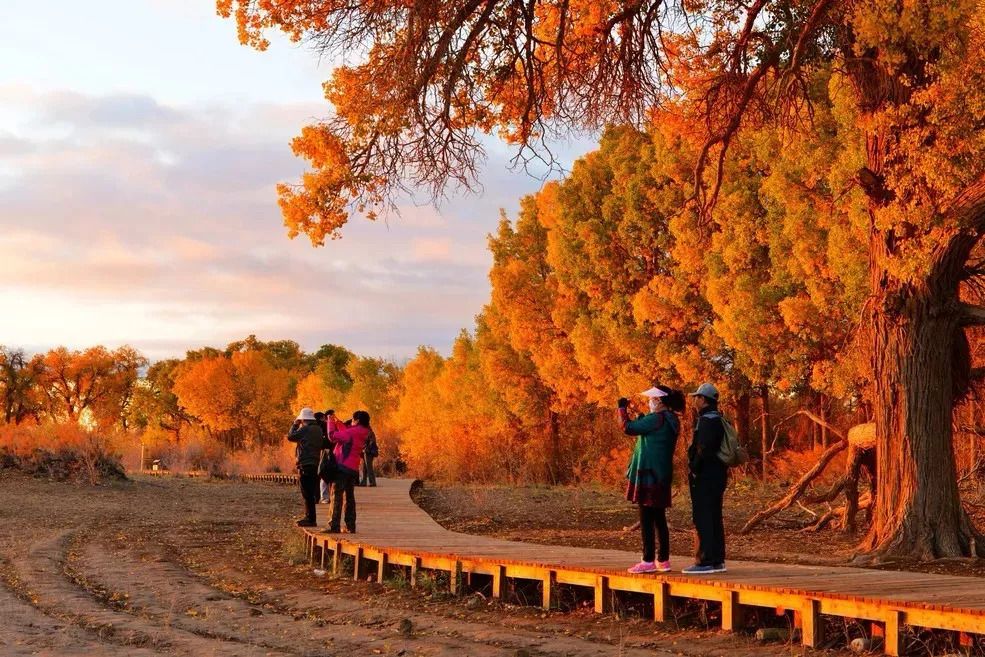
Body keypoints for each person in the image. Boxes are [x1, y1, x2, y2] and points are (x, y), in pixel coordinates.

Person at [617, 385, 683, 574]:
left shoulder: (657, 419)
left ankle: (647, 560)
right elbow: (645, 426)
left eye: (652, 400)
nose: (649, 402)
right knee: (659, 518)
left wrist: (622, 409)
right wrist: (640, 415)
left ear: (659, 401)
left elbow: (628, 428)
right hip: (661, 474)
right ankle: (663, 559)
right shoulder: (671, 420)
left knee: (646, 517)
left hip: (648, 474)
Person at [683, 383, 728, 574]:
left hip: (705, 476)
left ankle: (704, 560)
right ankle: (717, 559)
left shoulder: (707, 421)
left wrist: (694, 467)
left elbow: (703, 449)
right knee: (714, 515)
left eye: (697, 397)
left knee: (703, 517)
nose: (694, 401)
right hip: (718, 475)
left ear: (703, 399)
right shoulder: (719, 418)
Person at [326, 410, 371, 533]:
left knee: (337, 496)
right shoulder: (363, 432)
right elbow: (345, 432)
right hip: (353, 468)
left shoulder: (352, 432)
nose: (351, 421)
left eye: (352, 420)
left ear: (356, 420)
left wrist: (330, 420)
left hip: (342, 467)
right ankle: (350, 526)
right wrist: (337, 421)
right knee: (349, 497)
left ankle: (334, 525)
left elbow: (332, 435)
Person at [287, 407, 328, 527]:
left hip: (305, 463)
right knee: (310, 492)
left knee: (306, 493)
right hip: (315, 462)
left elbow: (291, 437)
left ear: (303, 419)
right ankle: (310, 517)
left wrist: (294, 425)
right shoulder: (318, 429)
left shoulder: (305, 429)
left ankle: (310, 519)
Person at [318, 410, 337, 503]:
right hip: (325, 452)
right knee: (324, 473)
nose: (334, 416)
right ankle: (325, 496)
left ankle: (329, 496)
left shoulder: (334, 425)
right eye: (332, 415)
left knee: (330, 473)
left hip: (334, 452)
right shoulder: (322, 426)